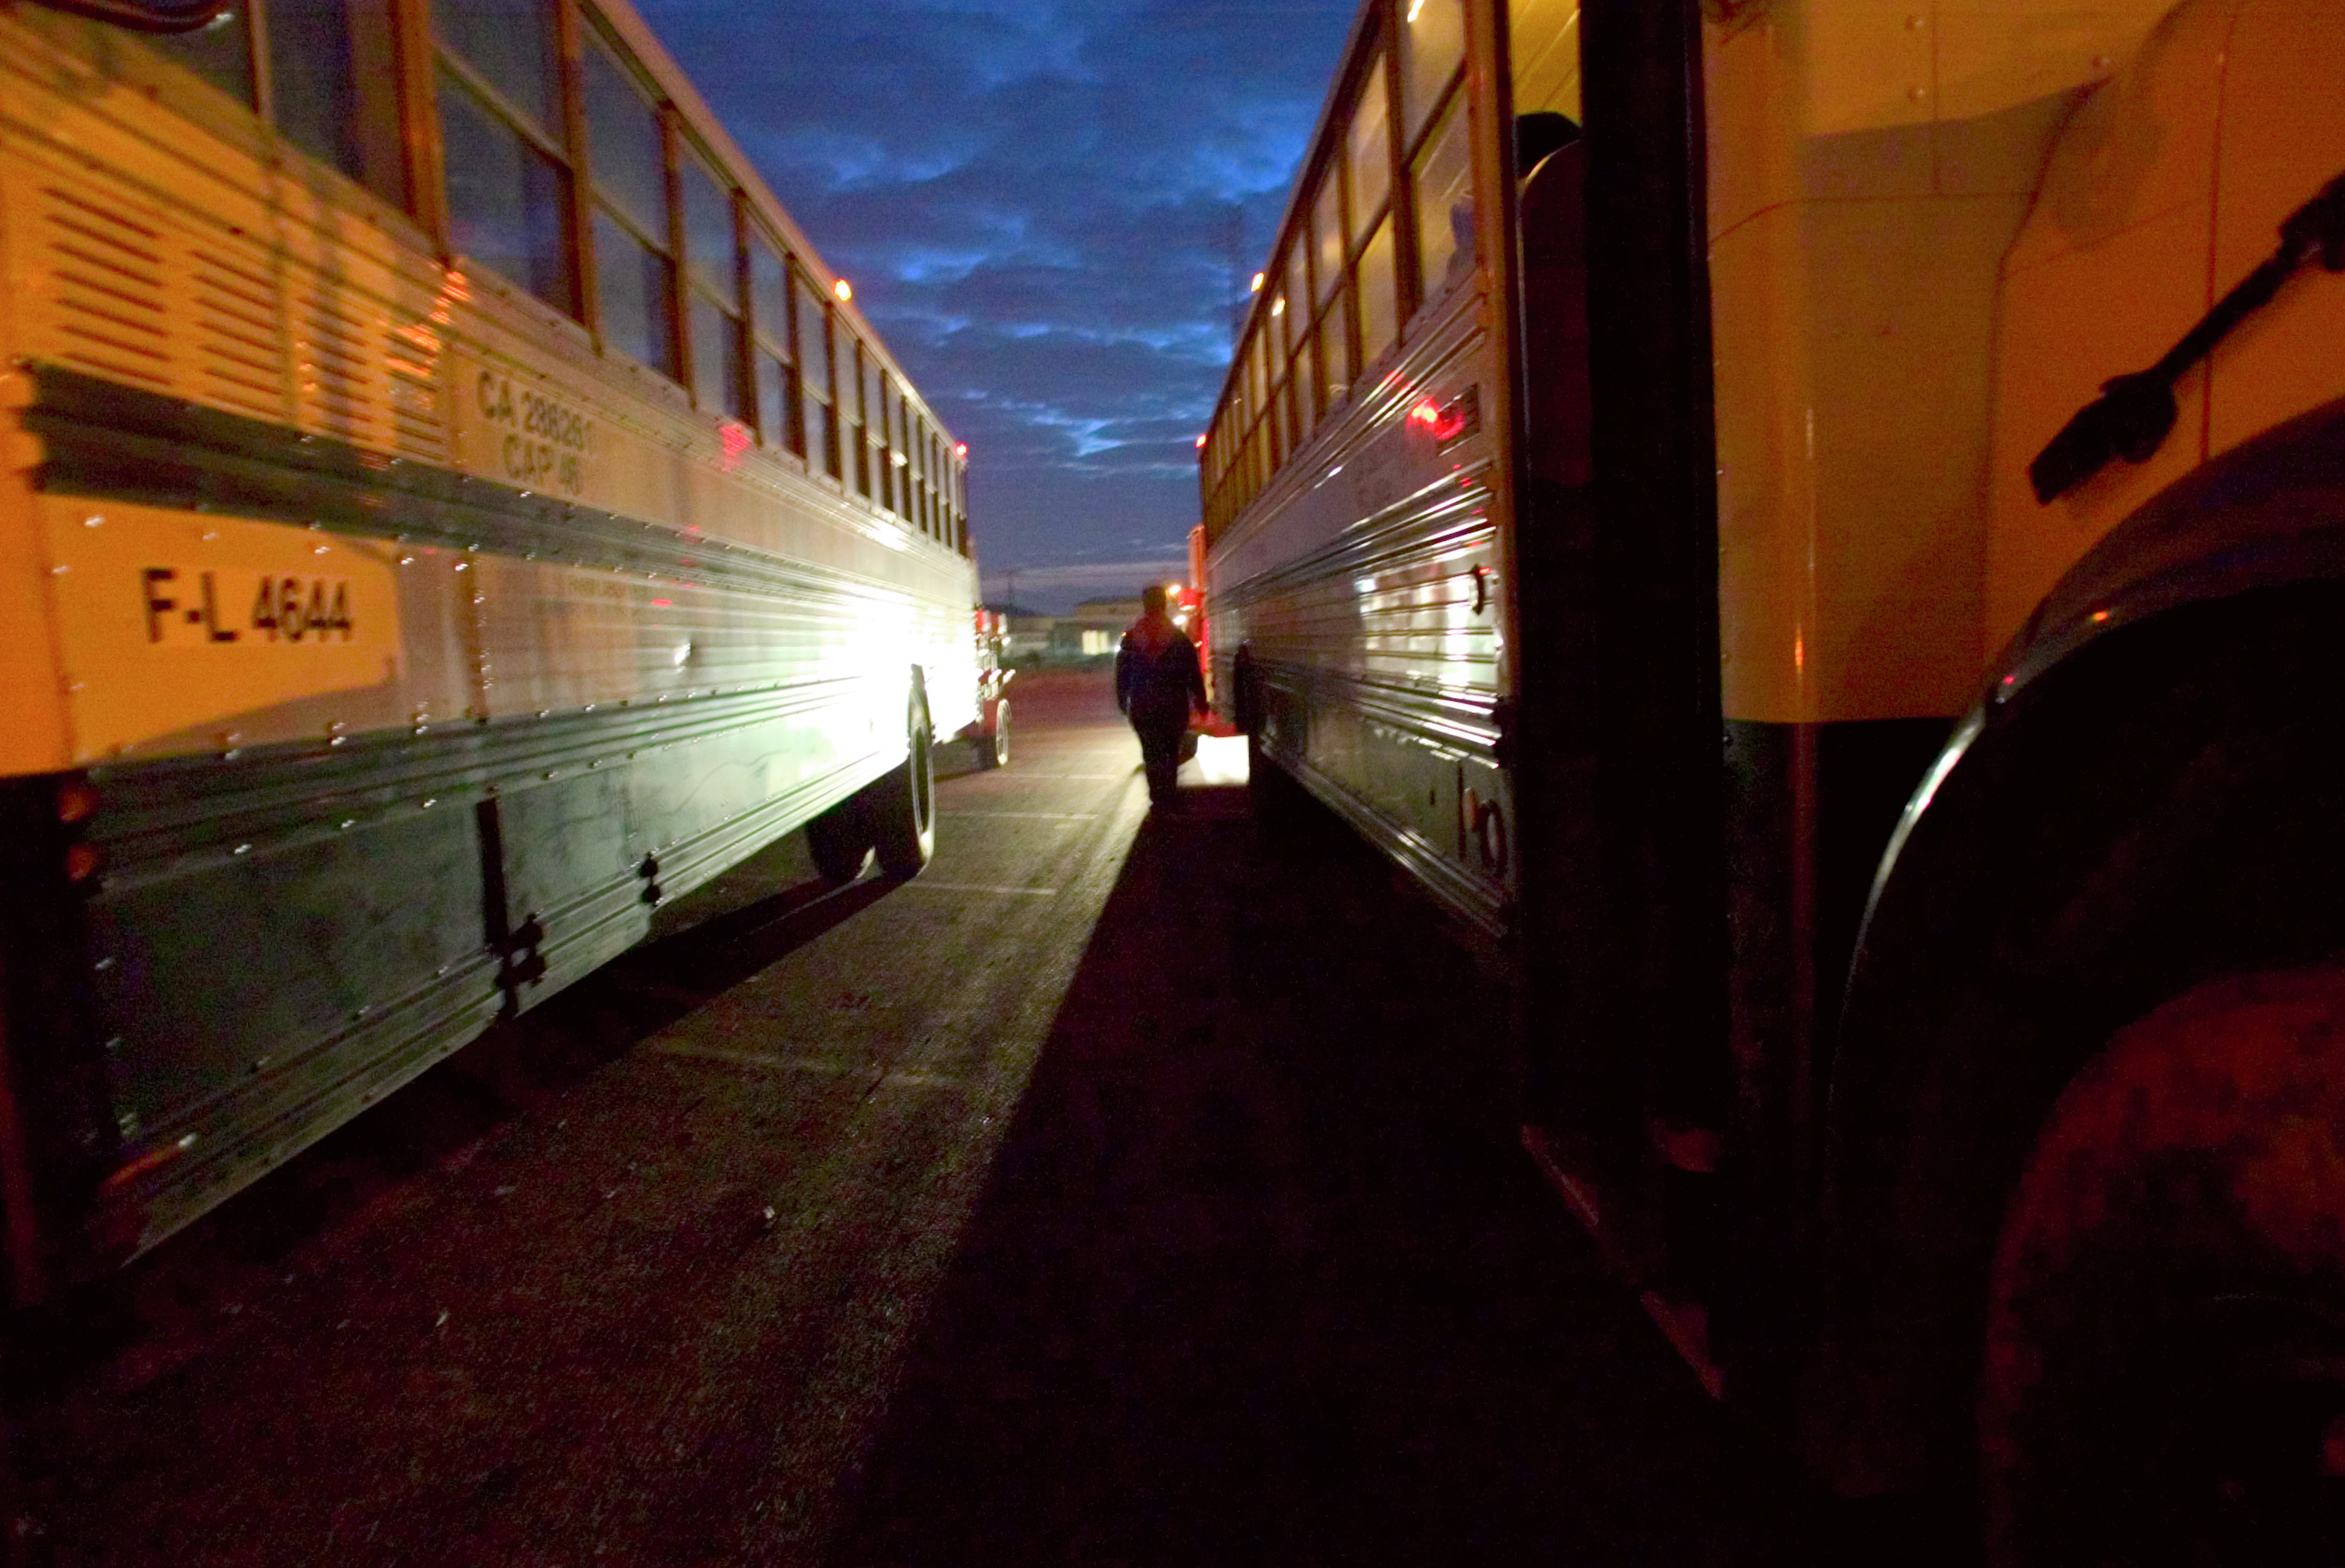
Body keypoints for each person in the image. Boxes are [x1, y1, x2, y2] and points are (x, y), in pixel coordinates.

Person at [1115, 585, 1207, 807]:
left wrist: (1123, 701)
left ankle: (1157, 795)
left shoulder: (1131, 637)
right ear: (1164, 604)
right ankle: (1169, 793)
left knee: (1151, 751)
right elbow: (1192, 672)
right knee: (1169, 751)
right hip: (1173, 706)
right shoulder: (1177, 637)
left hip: (1142, 705)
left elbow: (1122, 674)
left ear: (1145, 604)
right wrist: (1200, 701)